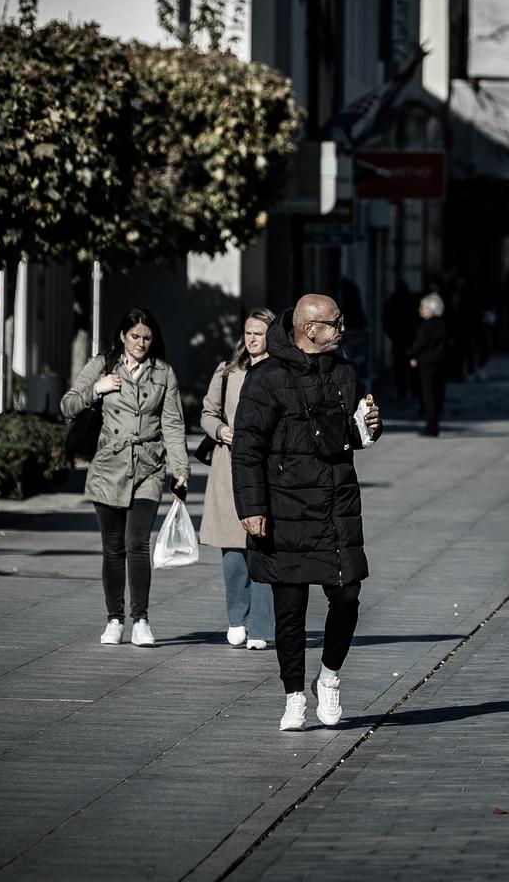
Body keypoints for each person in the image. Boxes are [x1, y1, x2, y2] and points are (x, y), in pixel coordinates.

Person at [232, 294, 384, 732]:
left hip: (336, 506)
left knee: (348, 595)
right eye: (336, 322)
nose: (342, 329)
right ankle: (294, 695)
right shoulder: (266, 378)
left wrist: (371, 427)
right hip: (284, 509)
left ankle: (330, 676)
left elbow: (351, 433)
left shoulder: (344, 372)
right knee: (290, 609)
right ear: (309, 328)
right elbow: (246, 449)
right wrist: (251, 507)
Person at [61, 308, 191, 647]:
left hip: (148, 466)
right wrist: (97, 390)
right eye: (135, 337)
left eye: (147, 338)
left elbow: (173, 425)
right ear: (122, 336)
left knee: (138, 544)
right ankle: (114, 619)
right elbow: (68, 404)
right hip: (108, 466)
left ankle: (141, 620)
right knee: (113, 547)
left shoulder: (163, 373)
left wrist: (181, 469)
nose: (141, 344)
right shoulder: (102, 365)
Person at [198, 308, 278, 651]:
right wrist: (220, 430)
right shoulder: (227, 372)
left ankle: (261, 626)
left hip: (266, 469)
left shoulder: (279, 372)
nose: (252, 339)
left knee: (262, 547)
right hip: (228, 467)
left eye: (258, 333)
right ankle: (236, 618)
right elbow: (206, 412)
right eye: (248, 332)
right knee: (232, 551)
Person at [407, 293, 448, 437]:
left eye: (423, 307)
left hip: (426, 364)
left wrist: (411, 354)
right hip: (439, 363)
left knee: (428, 396)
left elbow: (419, 344)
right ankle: (434, 425)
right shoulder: (442, 324)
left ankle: (431, 427)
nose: (420, 310)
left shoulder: (427, 326)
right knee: (436, 395)